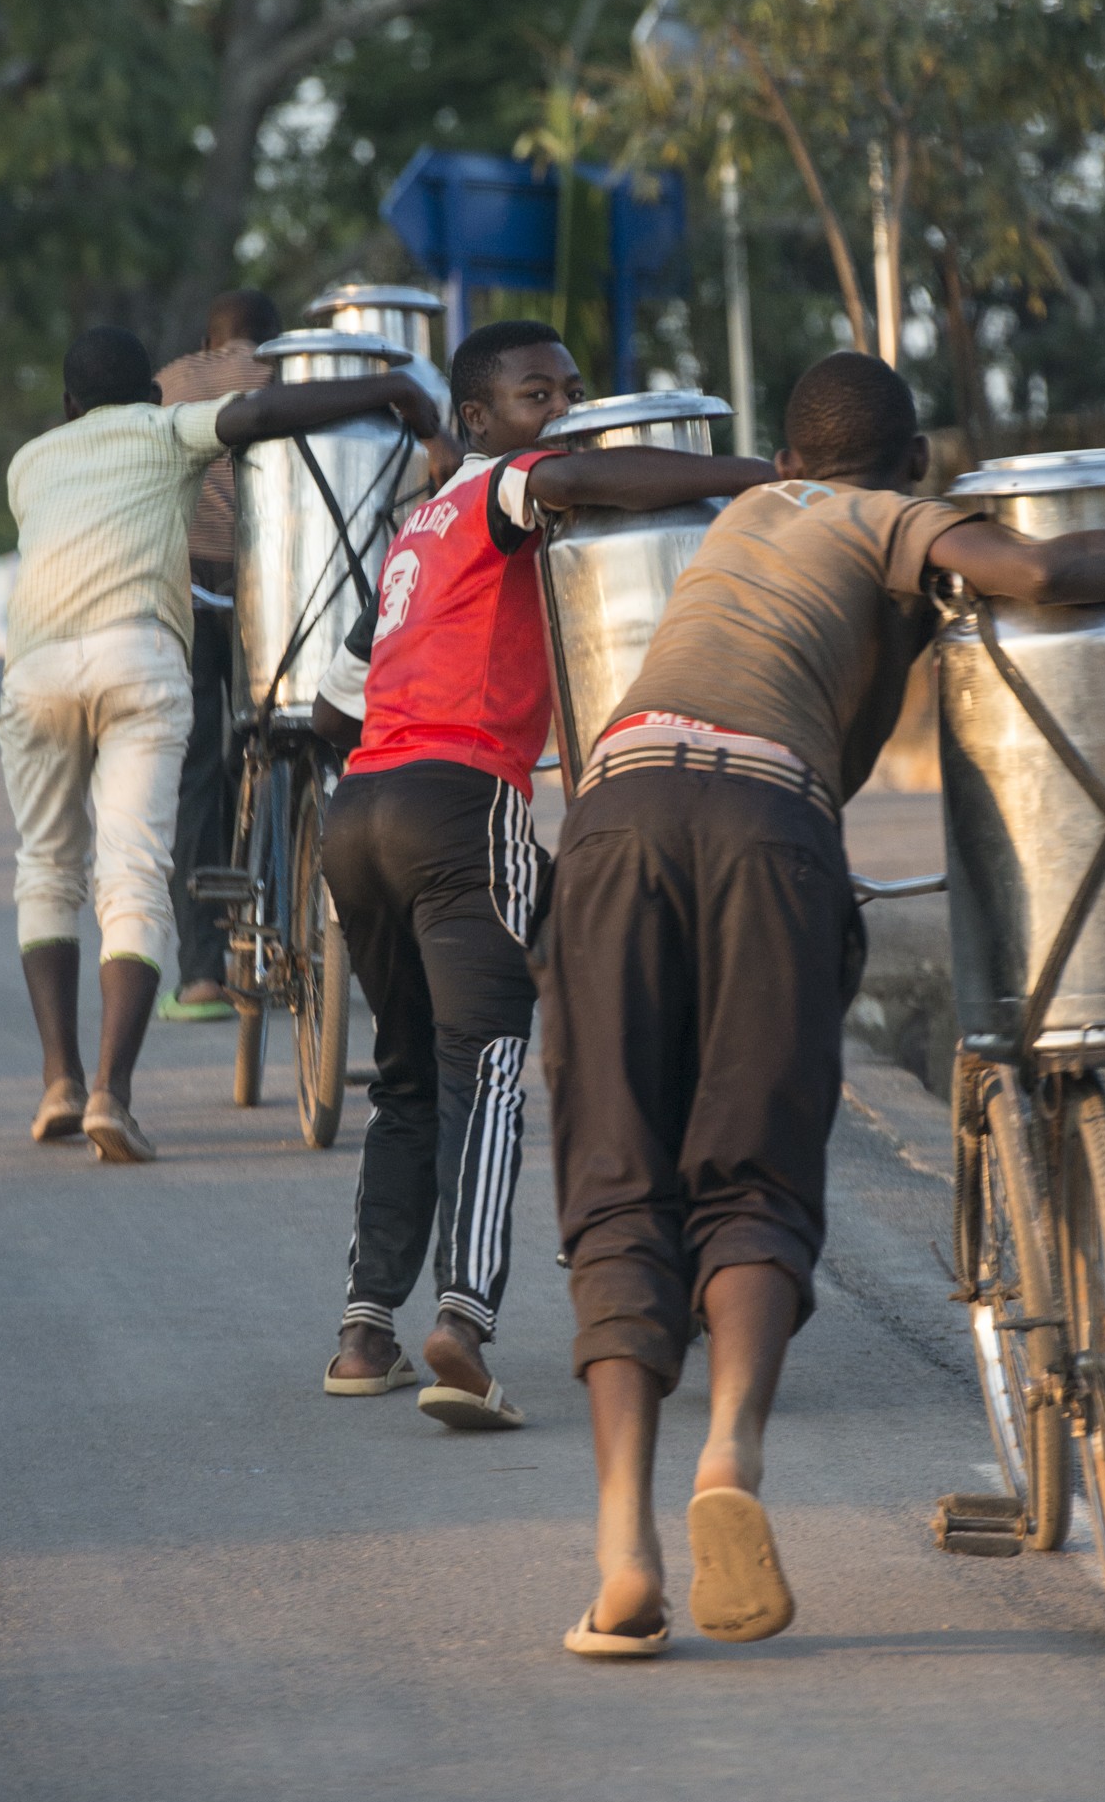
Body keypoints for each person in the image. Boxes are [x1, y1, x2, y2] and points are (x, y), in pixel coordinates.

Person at [537, 350, 1105, 1658]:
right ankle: (730, 1454)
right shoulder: (890, 519)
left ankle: (623, 1549)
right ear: (912, 463)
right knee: (754, 1165)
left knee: (616, 1177)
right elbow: (1038, 576)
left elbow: (599, 478)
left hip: (615, 813)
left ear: (789, 456)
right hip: (764, 820)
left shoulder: (751, 510)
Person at [308, 319, 771, 1432]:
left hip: (358, 812)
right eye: (533, 396)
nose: (557, 415)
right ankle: (461, 1327)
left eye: (569, 391)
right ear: (476, 419)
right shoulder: (507, 490)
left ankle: (363, 1328)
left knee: (407, 1078)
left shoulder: (417, 523)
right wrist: (757, 476)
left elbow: (335, 696)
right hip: (462, 807)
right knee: (489, 1068)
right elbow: (580, 478)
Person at [0, 322, 437, 1167]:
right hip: (137, 655)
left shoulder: (30, 463)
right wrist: (388, 393)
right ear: (154, 394)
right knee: (133, 871)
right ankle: (110, 1098)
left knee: (45, 864)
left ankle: (58, 1077)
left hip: (38, 665)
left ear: (68, 405)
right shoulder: (166, 430)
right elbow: (266, 412)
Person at [153, 289, 283, 1022]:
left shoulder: (168, 383)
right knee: (276, 745)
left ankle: (203, 971)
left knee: (196, 772)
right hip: (273, 591)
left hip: (185, 594)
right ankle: (283, 929)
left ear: (208, 338)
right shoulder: (287, 376)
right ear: (272, 335)